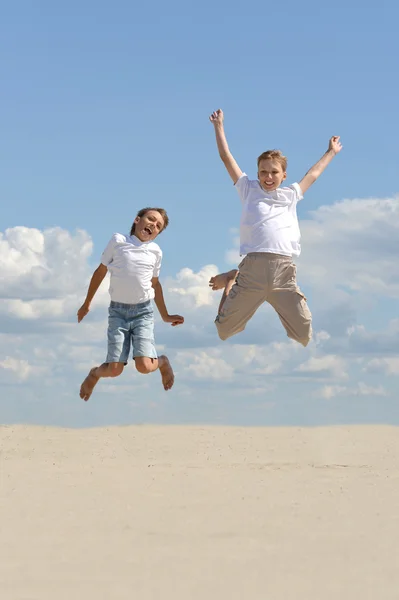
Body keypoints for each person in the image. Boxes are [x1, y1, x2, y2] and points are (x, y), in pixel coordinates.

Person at [208, 108, 342, 346]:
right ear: (257, 173)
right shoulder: (248, 190)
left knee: (304, 335)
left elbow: (314, 174)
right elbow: (226, 157)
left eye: (273, 172)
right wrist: (219, 126)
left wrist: (330, 152)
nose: (268, 176)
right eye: (263, 172)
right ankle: (232, 279)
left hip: (283, 274)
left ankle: (234, 277)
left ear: (283, 175)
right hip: (252, 271)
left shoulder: (290, 195)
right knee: (224, 331)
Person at [77, 207, 184, 401]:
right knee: (114, 369)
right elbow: (100, 271)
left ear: (158, 234)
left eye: (158, 226)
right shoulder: (119, 241)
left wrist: (165, 315)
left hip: (143, 312)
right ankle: (94, 374)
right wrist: (87, 303)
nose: (153, 224)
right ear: (137, 220)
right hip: (118, 312)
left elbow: (155, 284)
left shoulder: (155, 251)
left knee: (144, 366)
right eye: (151, 219)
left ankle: (163, 362)